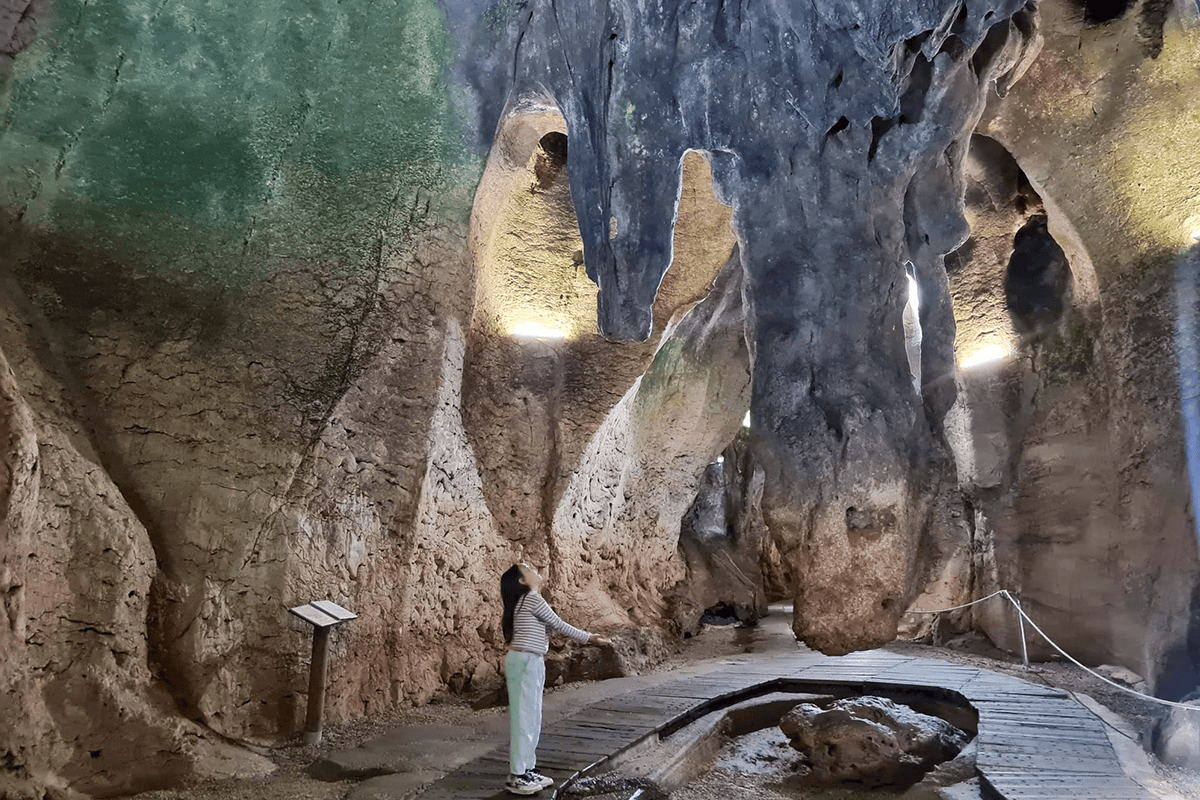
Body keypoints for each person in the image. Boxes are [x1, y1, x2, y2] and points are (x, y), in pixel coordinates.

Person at [501, 562, 610, 796]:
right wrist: (590, 638)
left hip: (530, 660)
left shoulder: (527, 601)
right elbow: (559, 624)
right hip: (525, 660)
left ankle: (527, 769)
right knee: (525, 718)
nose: (535, 569)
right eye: (528, 568)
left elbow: (550, 627)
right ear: (522, 581)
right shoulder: (532, 599)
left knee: (532, 717)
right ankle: (517, 776)